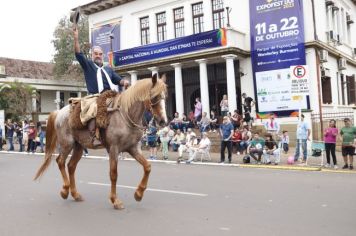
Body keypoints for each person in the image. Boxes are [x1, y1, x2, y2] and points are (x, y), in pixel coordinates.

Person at [73, 26, 129, 147]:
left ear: (102, 55)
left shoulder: (108, 68)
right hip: (95, 96)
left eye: (100, 54)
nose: (98, 56)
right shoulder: (88, 65)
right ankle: (94, 136)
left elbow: (118, 80)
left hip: (111, 95)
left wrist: (124, 82)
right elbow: (78, 54)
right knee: (96, 108)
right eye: (95, 54)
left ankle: (125, 132)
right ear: (92, 55)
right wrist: (76, 38)